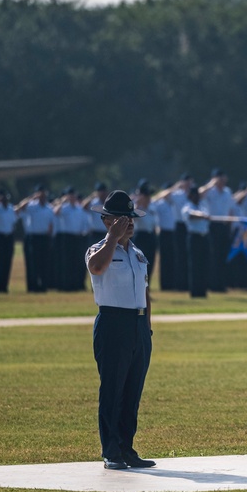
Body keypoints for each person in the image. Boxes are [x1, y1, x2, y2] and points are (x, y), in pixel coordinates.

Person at [86, 189, 155, 470]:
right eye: (122, 218)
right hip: (113, 324)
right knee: (113, 390)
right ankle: (111, 451)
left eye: (131, 217)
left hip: (138, 325)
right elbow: (96, 268)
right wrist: (113, 239)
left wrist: (147, 328)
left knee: (132, 391)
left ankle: (127, 448)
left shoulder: (137, 253)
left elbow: (146, 291)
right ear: (107, 221)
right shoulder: (98, 249)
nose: (129, 223)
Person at [181, 186, 210, 298]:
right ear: (191, 196)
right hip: (194, 237)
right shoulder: (187, 206)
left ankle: (203, 291)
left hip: (204, 237)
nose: (197, 197)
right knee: (195, 265)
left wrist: (204, 215)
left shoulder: (203, 206)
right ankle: (195, 291)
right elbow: (190, 215)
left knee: (204, 264)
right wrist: (202, 216)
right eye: (195, 195)